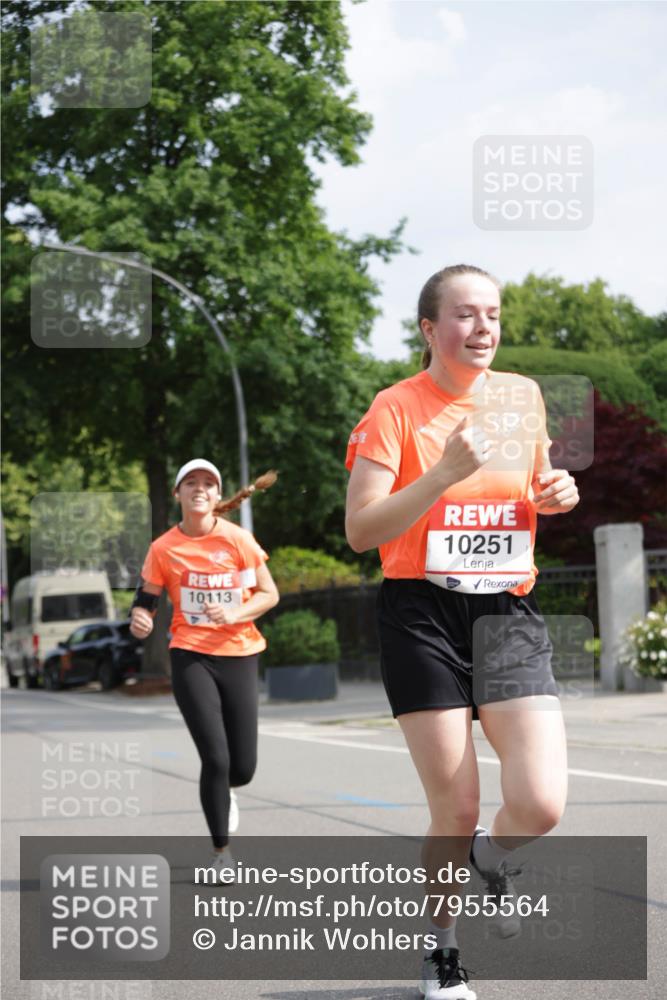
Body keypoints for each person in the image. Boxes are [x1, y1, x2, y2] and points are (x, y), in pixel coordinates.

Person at [345, 265, 579, 1000]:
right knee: (456, 805)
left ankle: (489, 857)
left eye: (493, 316)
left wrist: (557, 492)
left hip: (505, 611)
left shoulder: (521, 397)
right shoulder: (395, 408)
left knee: (539, 802)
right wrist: (438, 474)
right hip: (422, 611)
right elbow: (360, 530)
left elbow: (536, 483)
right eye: (464, 316)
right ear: (428, 329)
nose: (482, 329)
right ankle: (441, 952)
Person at [129, 459, 279, 873]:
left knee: (241, 768)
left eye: (208, 483)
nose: (199, 489)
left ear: (217, 496)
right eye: (190, 483)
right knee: (216, 757)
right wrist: (140, 619)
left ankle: (226, 791)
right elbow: (146, 601)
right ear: (177, 494)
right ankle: (221, 854)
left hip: (240, 652)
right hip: (190, 655)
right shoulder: (163, 548)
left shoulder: (238, 540)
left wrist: (234, 614)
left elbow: (269, 594)